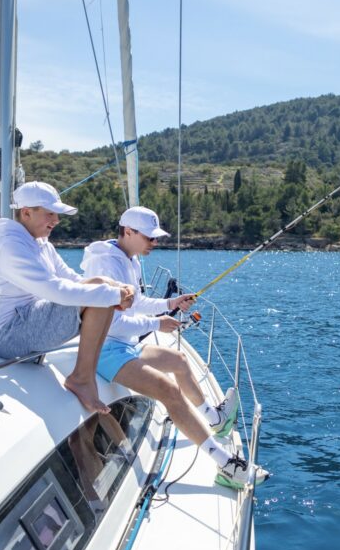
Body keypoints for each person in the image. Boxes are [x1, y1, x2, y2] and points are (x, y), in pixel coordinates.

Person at [81, 206, 269, 490]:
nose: (155, 244)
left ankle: (214, 418)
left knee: (179, 361)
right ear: (128, 232)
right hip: (105, 350)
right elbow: (112, 323)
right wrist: (157, 325)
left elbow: (138, 302)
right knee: (169, 391)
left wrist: (171, 304)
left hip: (124, 345)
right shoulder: (107, 264)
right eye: (150, 238)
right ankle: (227, 465)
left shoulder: (128, 258)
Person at [0, 181, 134, 415]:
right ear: (26, 212)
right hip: (7, 336)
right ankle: (82, 378)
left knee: (102, 286)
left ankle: (84, 375)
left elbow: (71, 278)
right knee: (102, 293)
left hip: (27, 321)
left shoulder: (39, 244)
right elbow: (54, 290)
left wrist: (117, 288)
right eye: (50, 213)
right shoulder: (10, 245)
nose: (56, 220)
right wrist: (112, 294)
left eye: (57, 214)